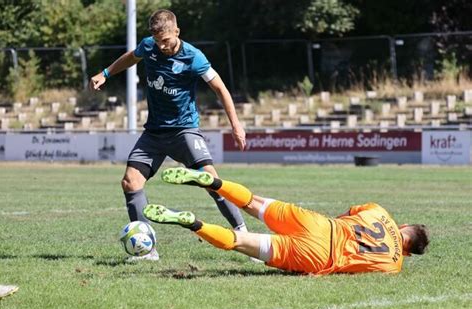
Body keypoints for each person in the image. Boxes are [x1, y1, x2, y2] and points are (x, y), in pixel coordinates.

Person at [90, 9, 248, 260]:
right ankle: (147, 250)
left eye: (167, 40)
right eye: (158, 41)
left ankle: (243, 234)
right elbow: (132, 57)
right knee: (130, 182)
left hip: (184, 130)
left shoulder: (194, 57)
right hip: (154, 132)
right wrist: (106, 73)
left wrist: (236, 125)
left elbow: (220, 88)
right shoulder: (149, 46)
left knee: (211, 182)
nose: (162, 46)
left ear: (177, 31)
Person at [143, 167, 430, 274]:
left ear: (404, 226)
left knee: (253, 202)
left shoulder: (380, 212)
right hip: (318, 256)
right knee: (240, 242)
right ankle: (194, 223)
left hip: (320, 225)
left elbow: (347, 215)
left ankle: (214, 182)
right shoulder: (394, 264)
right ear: (407, 249)